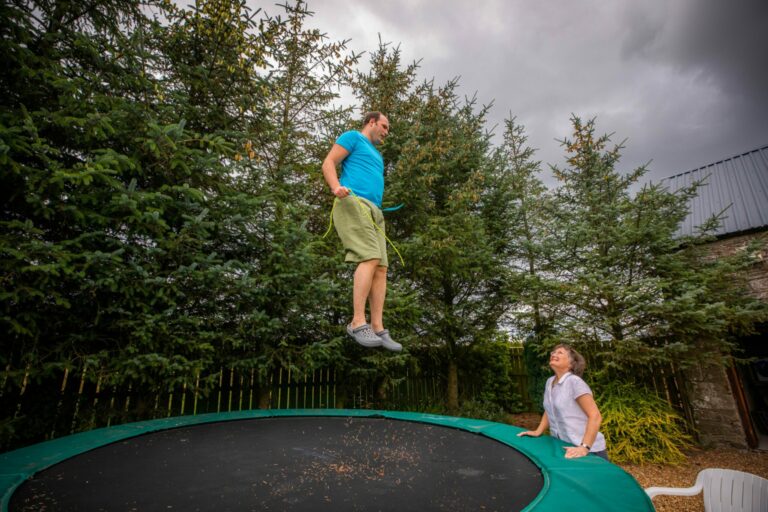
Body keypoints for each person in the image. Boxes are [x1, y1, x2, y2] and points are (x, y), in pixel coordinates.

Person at [322, 111, 401, 352]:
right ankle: (357, 322)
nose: (386, 132)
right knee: (370, 257)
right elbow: (328, 163)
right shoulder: (353, 138)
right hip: (354, 201)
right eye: (384, 126)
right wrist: (336, 187)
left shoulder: (377, 155)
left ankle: (377, 327)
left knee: (381, 267)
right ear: (372, 122)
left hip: (375, 211)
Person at [517, 343, 608, 460]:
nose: (554, 354)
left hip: (588, 451)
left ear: (571, 363)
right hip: (563, 446)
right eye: (553, 352)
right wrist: (538, 431)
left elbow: (595, 416)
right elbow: (549, 409)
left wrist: (584, 447)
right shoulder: (550, 382)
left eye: (559, 353)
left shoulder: (575, 382)